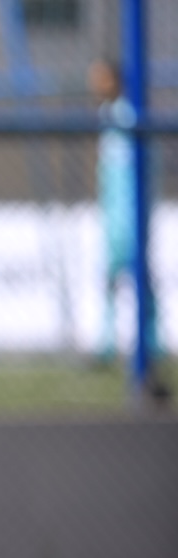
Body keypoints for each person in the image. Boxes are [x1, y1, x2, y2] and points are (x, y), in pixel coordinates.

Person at [86, 57, 162, 366]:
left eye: (102, 77)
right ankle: (107, 342)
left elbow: (142, 168)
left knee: (141, 278)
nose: (96, 84)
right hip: (112, 213)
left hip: (131, 212)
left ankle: (150, 343)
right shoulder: (107, 115)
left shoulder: (130, 114)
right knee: (110, 278)